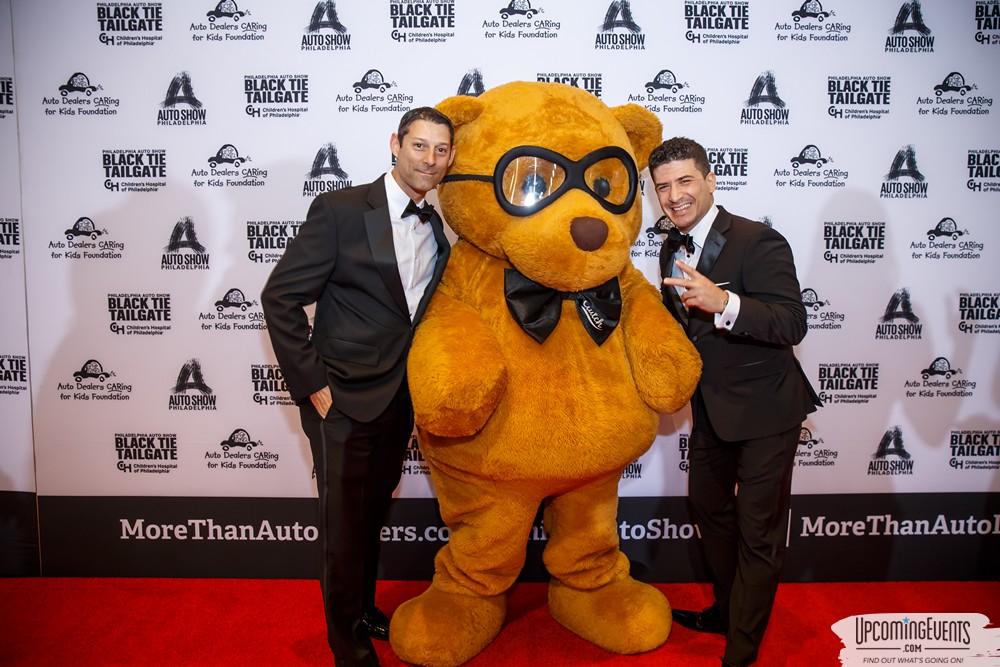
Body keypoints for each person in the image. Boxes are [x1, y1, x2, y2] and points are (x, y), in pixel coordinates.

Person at [261, 107, 455, 667]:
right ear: (395, 144)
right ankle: (348, 647)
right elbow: (280, 297)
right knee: (343, 526)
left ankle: (363, 610)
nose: (430, 159)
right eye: (419, 145)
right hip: (341, 399)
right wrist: (311, 382)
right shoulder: (341, 210)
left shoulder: (438, 227)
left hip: (398, 399)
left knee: (370, 518)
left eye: (441, 150)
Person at [649, 137, 821, 667]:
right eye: (663, 187)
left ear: (710, 180)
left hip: (768, 409)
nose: (674, 196)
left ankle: (741, 651)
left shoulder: (757, 239)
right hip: (712, 408)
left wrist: (726, 302)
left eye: (684, 181)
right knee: (707, 504)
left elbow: (792, 323)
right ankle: (728, 609)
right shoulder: (670, 248)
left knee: (759, 532)